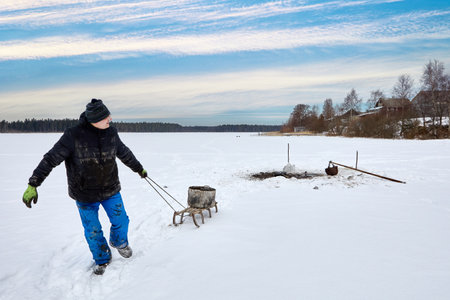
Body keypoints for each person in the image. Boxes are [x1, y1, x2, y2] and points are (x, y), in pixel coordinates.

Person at [22, 99, 147, 275]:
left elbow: (124, 152)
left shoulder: (111, 132)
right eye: (105, 117)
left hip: (110, 189)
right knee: (93, 230)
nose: (110, 119)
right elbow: (51, 158)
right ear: (95, 120)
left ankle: (119, 242)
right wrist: (33, 183)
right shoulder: (73, 135)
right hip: (84, 193)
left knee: (121, 220)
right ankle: (102, 258)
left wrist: (139, 168)